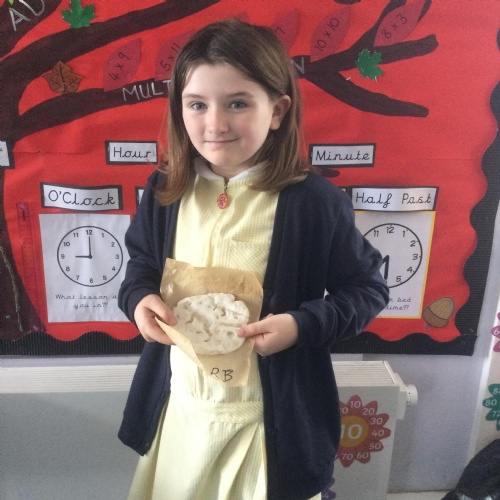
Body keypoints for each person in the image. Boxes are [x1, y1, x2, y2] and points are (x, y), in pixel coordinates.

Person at [118, 18, 389, 500]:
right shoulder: (165, 189)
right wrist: (139, 299)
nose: (215, 124)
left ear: (277, 110)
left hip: (266, 424)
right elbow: (141, 264)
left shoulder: (313, 202)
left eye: (238, 103)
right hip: (182, 412)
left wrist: (300, 324)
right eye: (197, 104)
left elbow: (367, 290)